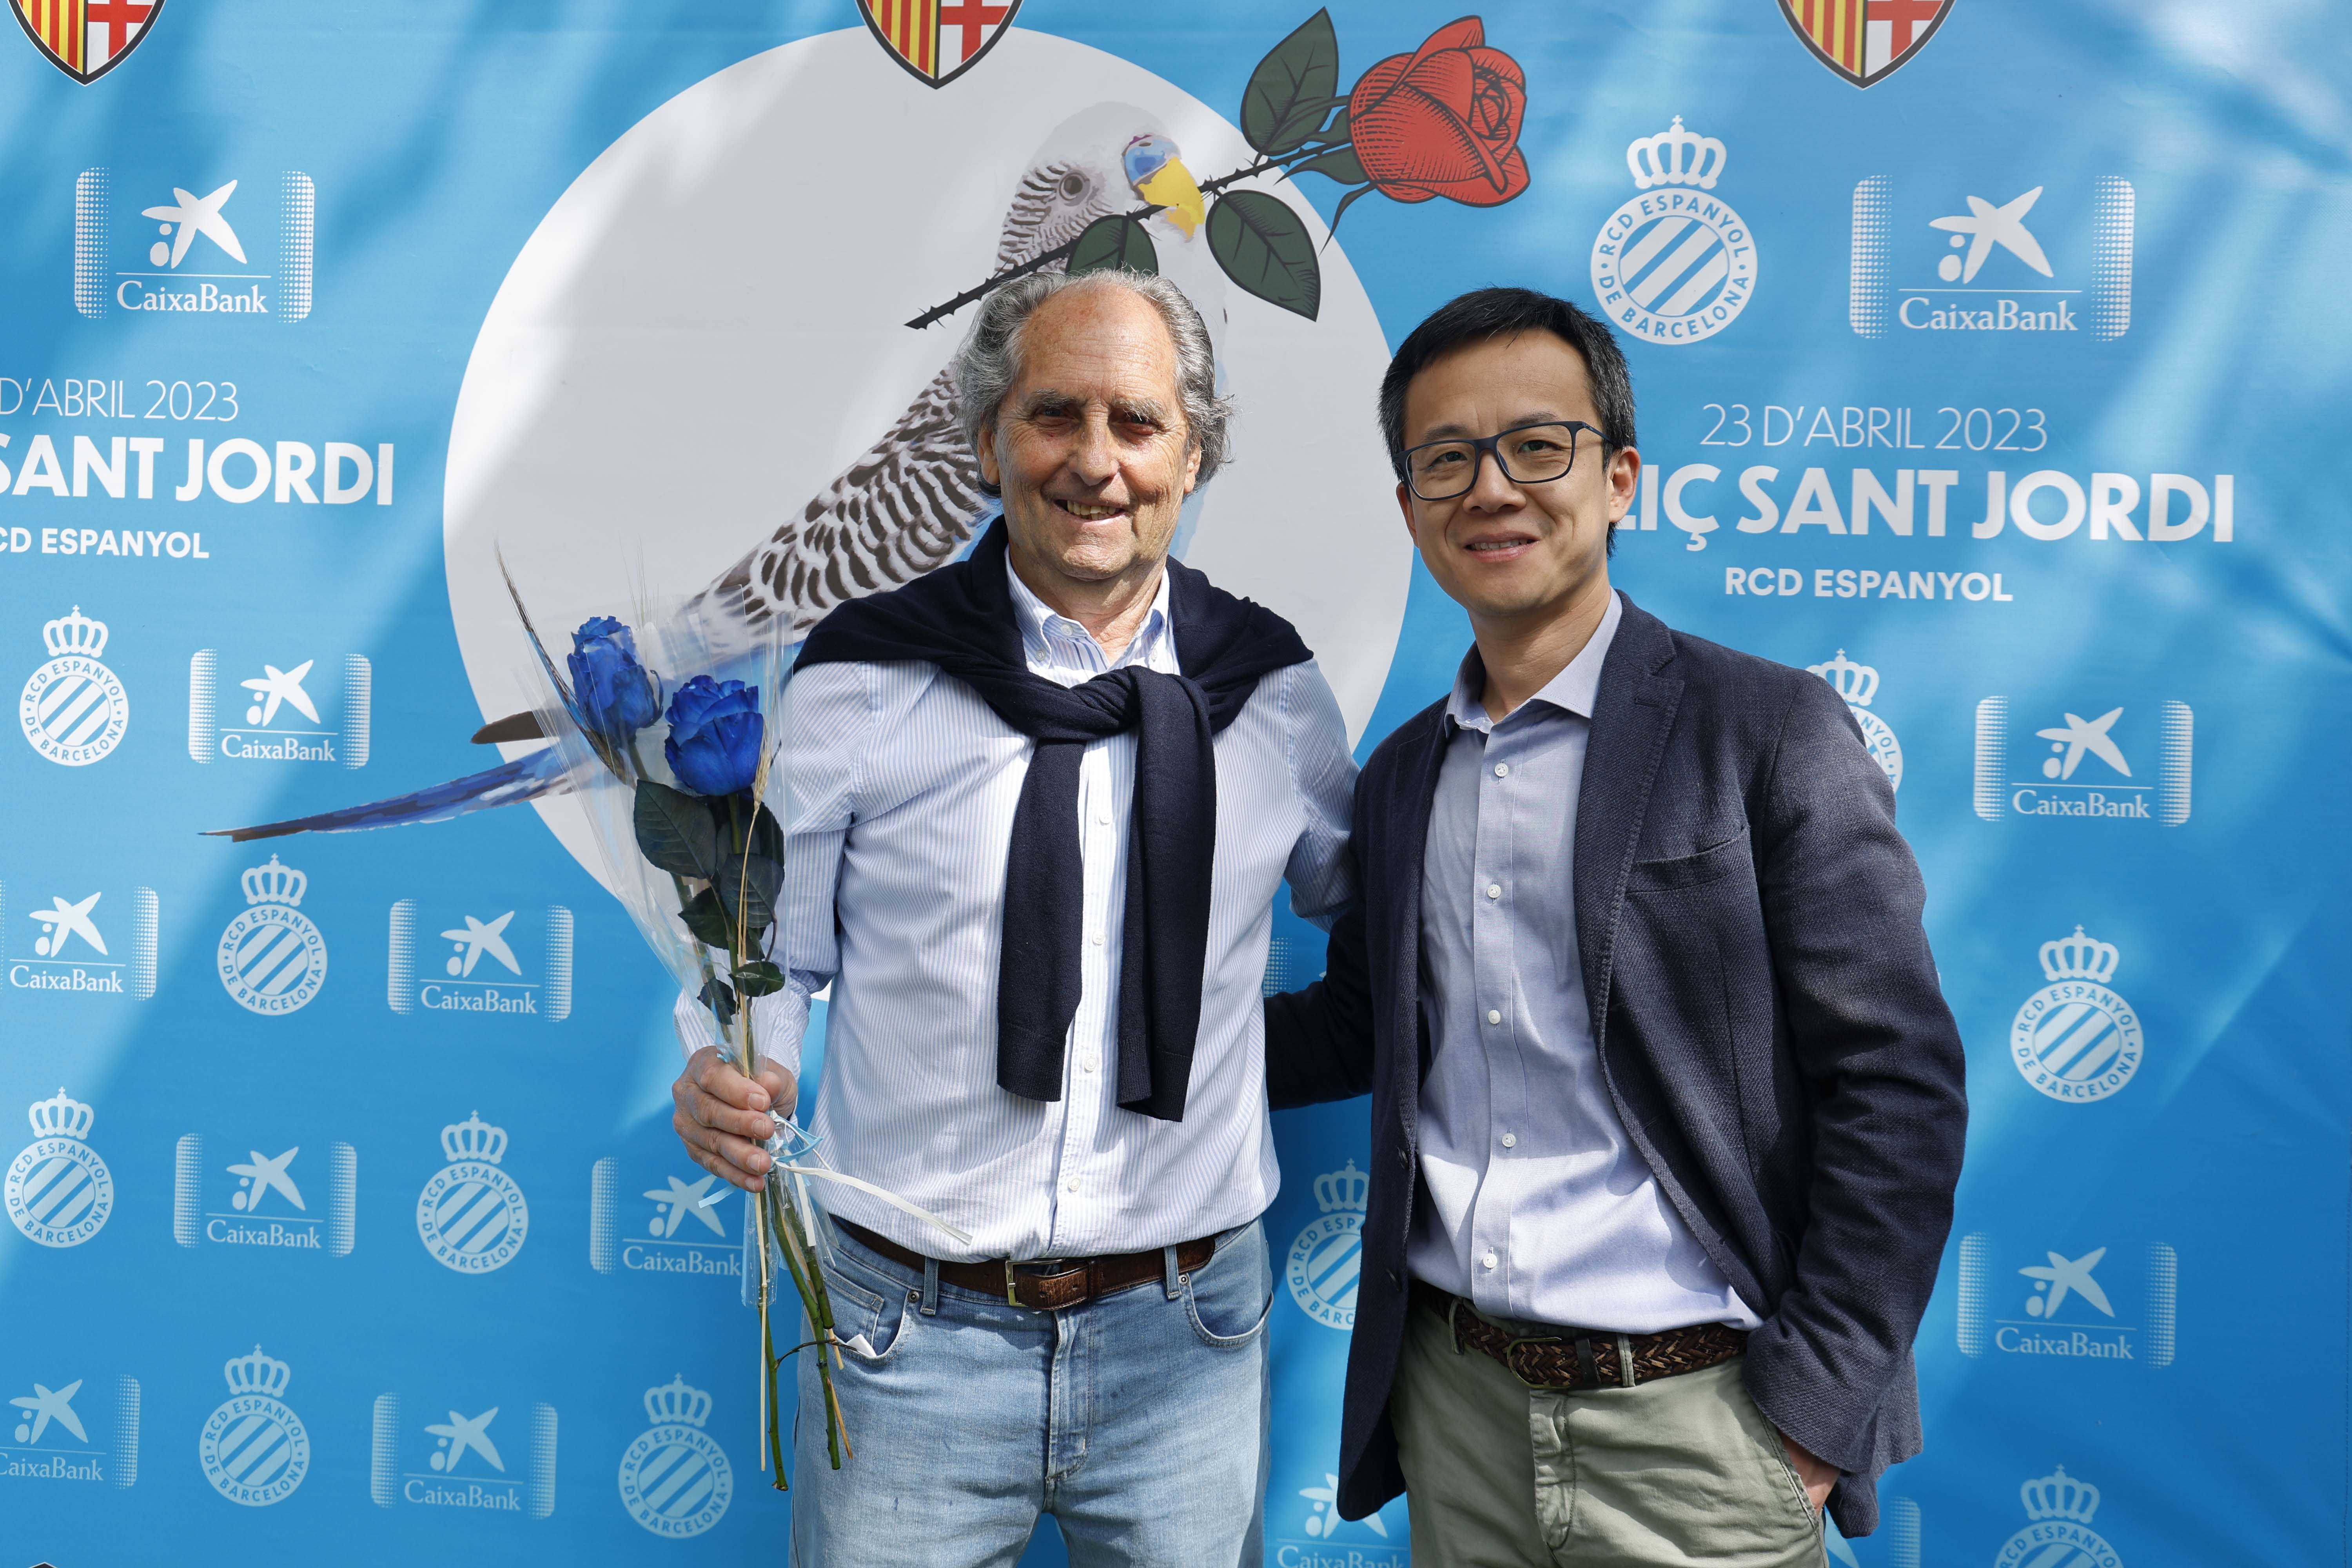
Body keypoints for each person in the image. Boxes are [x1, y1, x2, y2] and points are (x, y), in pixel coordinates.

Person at [1268, 287, 1967, 1566]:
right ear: (1411, 507)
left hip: (1703, 1426)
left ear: (1621, 479)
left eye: (1539, 446)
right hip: (1457, 1411)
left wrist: (1812, 1412)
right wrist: (1111, 1040)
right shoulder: (1405, 775)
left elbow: (1899, 1083)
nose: (1493, 488)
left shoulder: (1768, 732)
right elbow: (1364, 1027)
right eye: (1447, 459)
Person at [667, 268, 1356, 1567]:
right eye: (1055, 415)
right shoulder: (863, 676)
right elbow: (774, 960)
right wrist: (732, 1068)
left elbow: (1375, 922)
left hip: (1189, 1339)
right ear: (989, 443)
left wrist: (1254, 1056)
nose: (1096, 461)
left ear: (1193, 455)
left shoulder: (1269, 690)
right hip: (905, 1340)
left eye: (1138, 423)